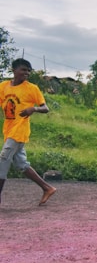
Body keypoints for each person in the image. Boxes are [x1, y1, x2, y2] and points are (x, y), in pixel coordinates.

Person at [0, 58, 56, 205]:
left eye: (28, 71)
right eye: (23, 70)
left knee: (3, 158)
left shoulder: (32, 88)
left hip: (20, 130)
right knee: (21, 164)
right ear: (14, 70)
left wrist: (34, 108)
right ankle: (47, 188)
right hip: (8, 129)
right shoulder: (4, 86)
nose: (26, 73)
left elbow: (45, 108)